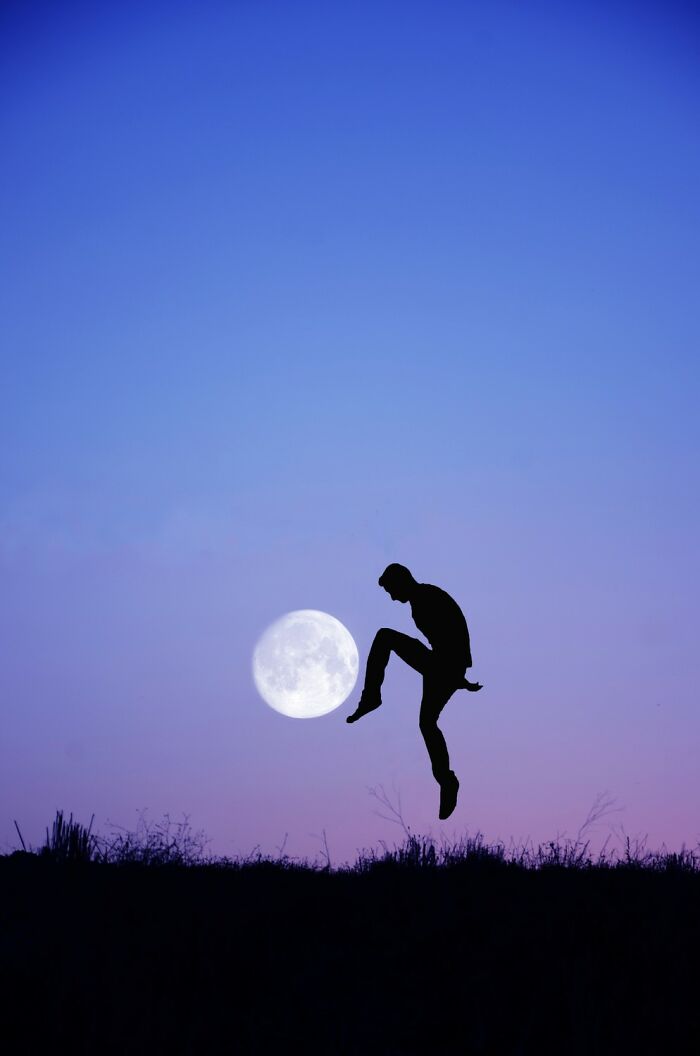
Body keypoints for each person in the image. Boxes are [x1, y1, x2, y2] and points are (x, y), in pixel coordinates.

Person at [347, 563, 482, 820]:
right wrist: (459, 675)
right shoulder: (421, 600)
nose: (391, 596)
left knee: (385, 636)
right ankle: (446, 781)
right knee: (427, 724)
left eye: (390, 590)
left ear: (402, 581)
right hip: (443, 665)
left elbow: (454, 631)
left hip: (444, 665)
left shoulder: (427, 598)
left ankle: (371, 698)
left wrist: (458, 674)